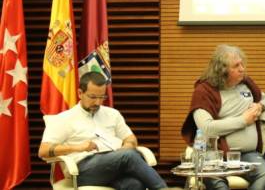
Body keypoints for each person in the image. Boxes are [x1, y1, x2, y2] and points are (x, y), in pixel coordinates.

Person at [39, 71, 174, 190]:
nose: (98, 102)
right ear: (80, 93)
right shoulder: (64, 119)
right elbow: (43, 151)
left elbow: (130, 138)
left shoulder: (112, 114)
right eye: (93, 97)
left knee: (134, 185)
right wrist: (78, 147)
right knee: (129, 156)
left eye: (102, 97)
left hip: (115, 164)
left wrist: (127, 145)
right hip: (84, 169)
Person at [181, 44, 265, 190]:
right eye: (236, 66)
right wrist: (243, 120)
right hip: (214, 153)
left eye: (242, 64)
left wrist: (260, 106)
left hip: (247, 154)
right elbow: (207, 128)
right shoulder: (204, 91)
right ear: (222, 70)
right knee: (214, 179)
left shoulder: (246, 84)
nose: (242, 69)